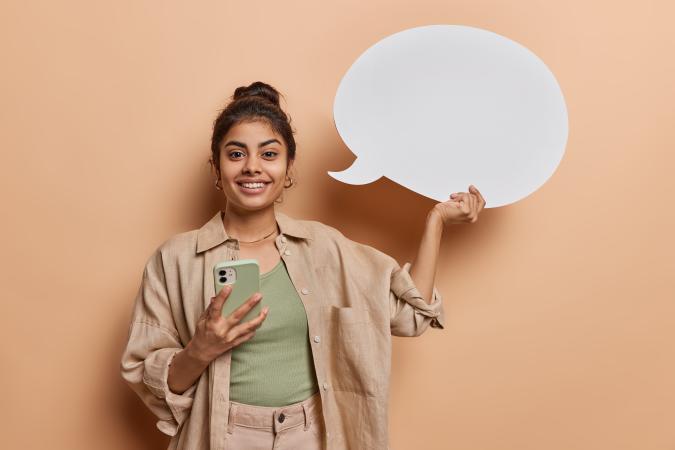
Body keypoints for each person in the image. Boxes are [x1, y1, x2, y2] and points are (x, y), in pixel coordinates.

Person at [119, 81, 485, 450]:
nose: (252, 167)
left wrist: (436, 220)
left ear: (288, 167)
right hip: (223, 436)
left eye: (268, 154)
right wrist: (201, 348)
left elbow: (411, 315)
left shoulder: (324, 247)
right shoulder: (174, 260)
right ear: (216, 167)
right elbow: (144, 375)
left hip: (311, 435)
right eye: (235, 154)